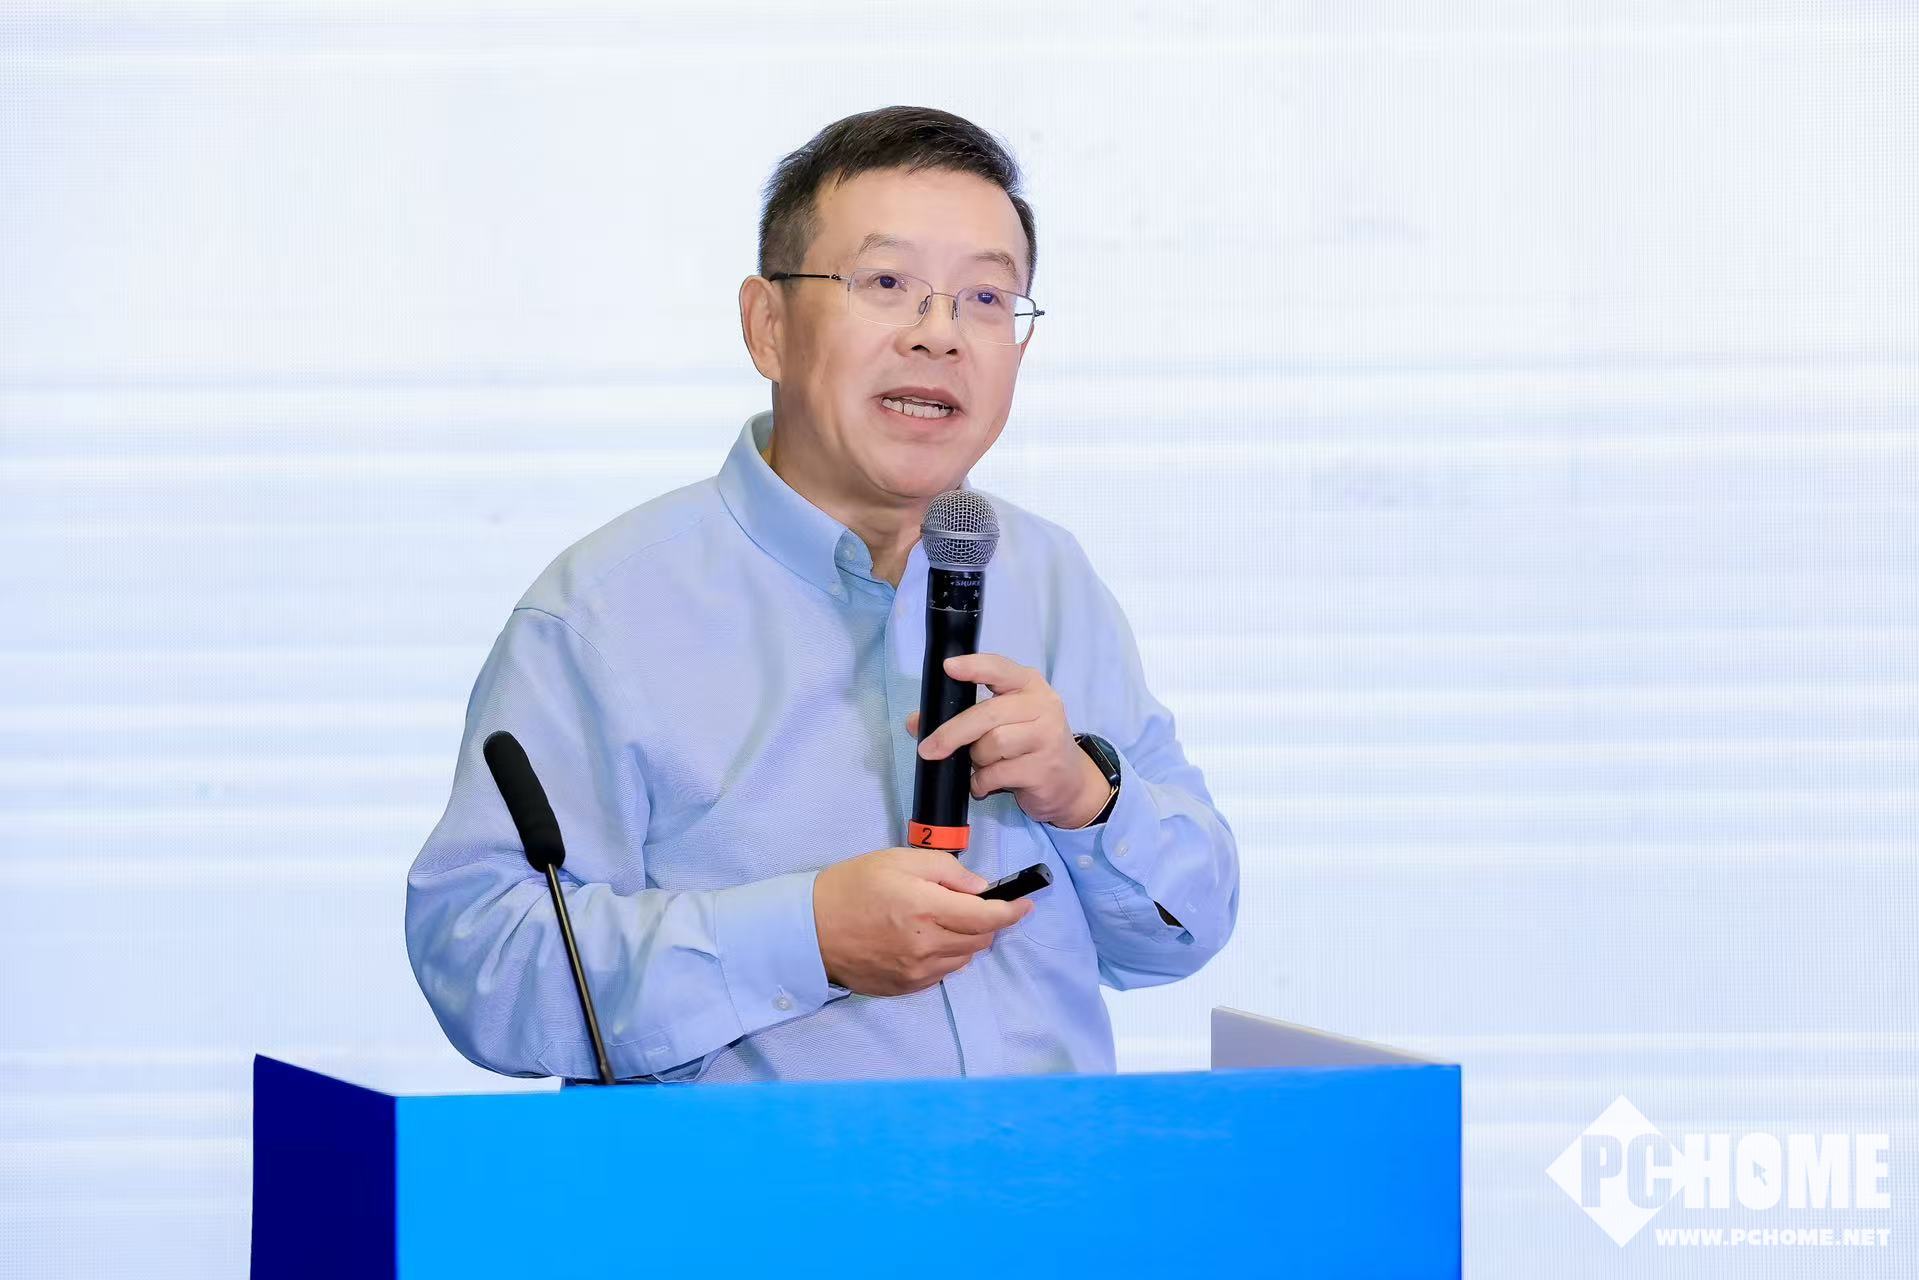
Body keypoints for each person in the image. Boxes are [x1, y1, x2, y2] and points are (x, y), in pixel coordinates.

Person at [405, 105, 1239, 1084]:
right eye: (886, 284)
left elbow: (1182, 934)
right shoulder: (601, 612)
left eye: (985, 297)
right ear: (768, 327)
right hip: (753, 1185)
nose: (940, 335)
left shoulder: (1050, 576)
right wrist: (804, 938)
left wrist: (1084, 794)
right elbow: (485, 966)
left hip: (1046, 1177)